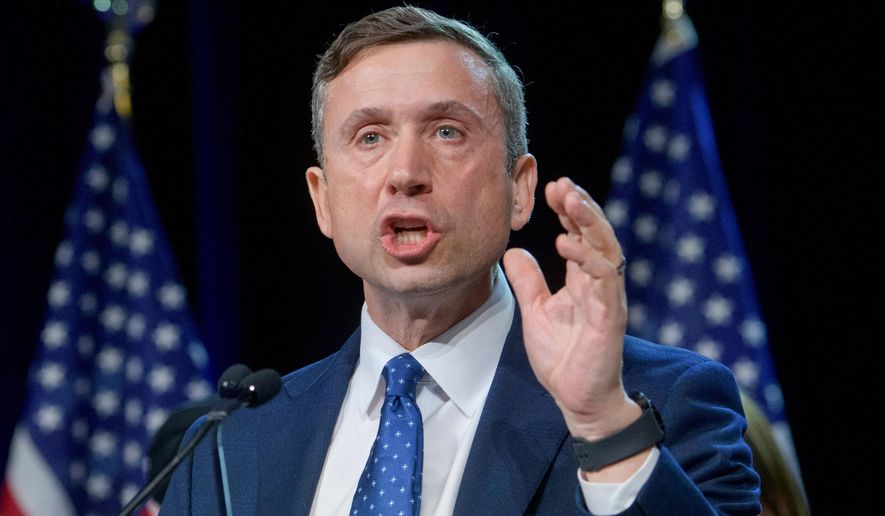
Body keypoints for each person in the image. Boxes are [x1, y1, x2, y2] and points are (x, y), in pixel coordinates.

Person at [161, 6, 760, 515]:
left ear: (519, 188)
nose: (405, 174)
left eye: (447, 132)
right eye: (370, 136)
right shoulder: (227, 449)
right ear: (323, 200)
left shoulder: (663, 403)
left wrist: (601, 423)